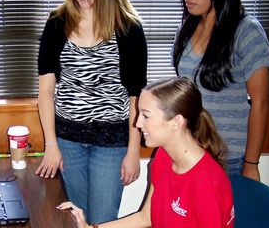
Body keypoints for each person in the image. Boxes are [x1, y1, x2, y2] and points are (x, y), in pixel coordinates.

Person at [35, 0, 147, 224]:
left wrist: (134, 151)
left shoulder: (128, 28)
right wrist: (51, 144)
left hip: (111, 143)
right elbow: (46, 91)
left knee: (101, 220)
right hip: (67, 140)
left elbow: (136, 97)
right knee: (73, 218)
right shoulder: (56, 23)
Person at [58, 76, 235, 228]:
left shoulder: (207, 185)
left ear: (176, 122)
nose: (137, 123)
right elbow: (147, 217)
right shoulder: (164, 156)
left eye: (146, 115)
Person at [171, 0, 269, 180]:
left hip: (227, 158)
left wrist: (251, 163)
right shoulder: (184, 29)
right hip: (188, 152)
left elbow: (261, 103)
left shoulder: (246, 31)